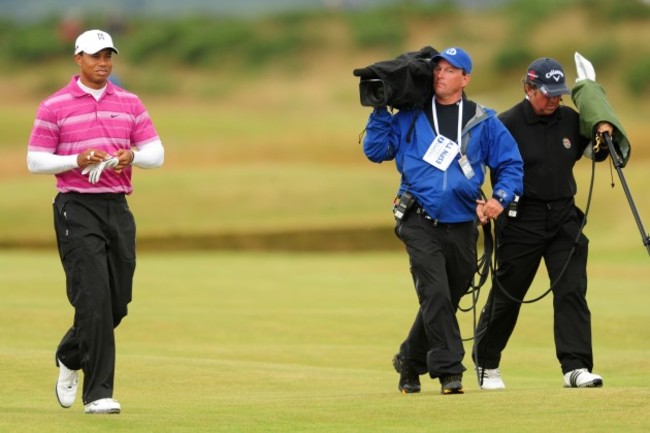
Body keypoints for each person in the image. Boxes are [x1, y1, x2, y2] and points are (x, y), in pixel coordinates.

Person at [362, 47, 524, 394]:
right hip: (418, 218)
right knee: (434, 291)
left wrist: (500, 198)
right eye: (438, 69)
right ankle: (450, 371)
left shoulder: (483, 120)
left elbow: (510, 164)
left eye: (451, 70)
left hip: (463, 220)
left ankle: (409, 359)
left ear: (465, 79)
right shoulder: (410, 114)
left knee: (447, 297)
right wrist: (379, 109)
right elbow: (376, 151)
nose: (441, 74)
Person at [27, 29, 164, 414]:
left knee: (117, 302)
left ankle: (70, 354)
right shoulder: (54, 105)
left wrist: (131, 156)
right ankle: (98, 393)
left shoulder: (130, 102)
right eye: (94, 56)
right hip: (76, 207)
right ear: (78, 59)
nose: (102, 62)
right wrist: (76, 160)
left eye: (108, 56)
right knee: (94, 300)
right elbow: (35, 160)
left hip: (117, 208)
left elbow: (156, 152)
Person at [472, 57, 613, 390]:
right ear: (528, 88)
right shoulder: (505, 123)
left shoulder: (570, 120)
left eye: (558, 94)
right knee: (509, 293)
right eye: (547, 93)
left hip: (564, 217)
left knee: (572, 290)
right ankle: (487, 362)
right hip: (522, 219)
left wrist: (602, 130)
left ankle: (575, 366)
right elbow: (477, 164)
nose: (554, 100)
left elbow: (597, 153)